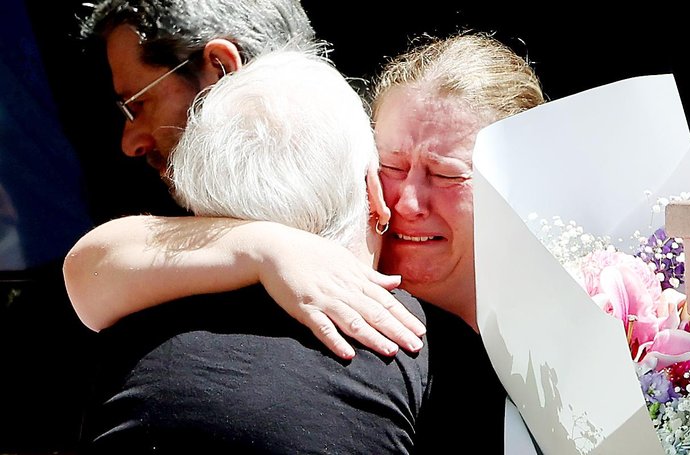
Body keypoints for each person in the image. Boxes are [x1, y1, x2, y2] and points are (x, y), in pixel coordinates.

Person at [65, 32, 546, 453]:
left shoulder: (579, 313)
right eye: (391, 166)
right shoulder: (278, 270)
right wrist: (262, 246)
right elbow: (92, 265)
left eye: (446, 174)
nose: (406, 201)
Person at [81, 48, 430, 454]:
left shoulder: (133, 308)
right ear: (373, 191)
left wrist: (261, 249)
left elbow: (89, 265)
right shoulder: (408, 334)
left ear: (196, 205)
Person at [73, 0, 427, 358]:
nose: (128, 142)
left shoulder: (403, 196)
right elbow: (90, 269)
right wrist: (265, 247)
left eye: (138, 104)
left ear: (221, 68)